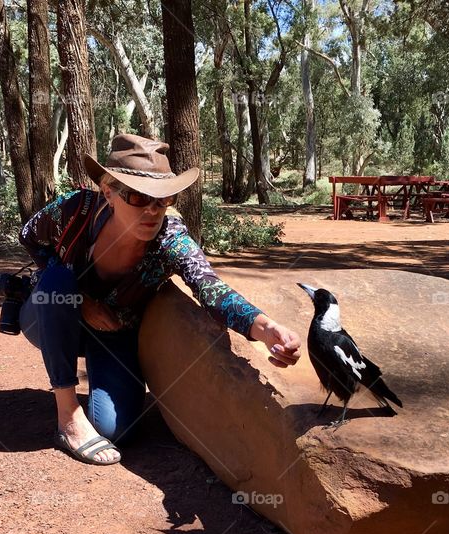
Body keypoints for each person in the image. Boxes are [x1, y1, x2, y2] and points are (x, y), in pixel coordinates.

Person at [17, 134, 301, 466]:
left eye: (164, 198)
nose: (153, 210)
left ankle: (93, 406)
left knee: (116, 429)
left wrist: (266, 328)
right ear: (109, 192)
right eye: (139, 197)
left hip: (113, 332)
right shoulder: (75, 209)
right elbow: (30, 236)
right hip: (49, 318)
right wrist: (81, 300)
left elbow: (211, 288)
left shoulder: (171, 239)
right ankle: (68, 415)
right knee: (58, 281)